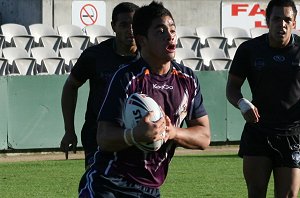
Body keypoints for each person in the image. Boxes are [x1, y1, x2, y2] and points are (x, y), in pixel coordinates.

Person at [78, 1, 211, 197]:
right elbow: (103, 137)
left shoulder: (188, 80)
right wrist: (135, 135)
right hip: (108, 183)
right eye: (160, 30)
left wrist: (172, 132)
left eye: (172, 29)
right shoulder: (125, 78)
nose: (170, 35)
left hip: (150, 189)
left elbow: (204, 137)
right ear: (143, 40)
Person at [226, 0, 300, 197]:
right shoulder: (249, 49)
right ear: (267, 20)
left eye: (287, 19)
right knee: (256, 192)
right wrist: (242, 103)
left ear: (294, 22)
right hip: (258, 131)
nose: (282, 24)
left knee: (288, 195)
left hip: (292, 134)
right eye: (276, 19)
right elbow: (232, 88)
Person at [60, 2, 140, 167]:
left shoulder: (149, 58)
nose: (130, 30)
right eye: (124, 24)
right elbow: (71, 86)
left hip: (136, 136)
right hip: (98, 136)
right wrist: (69, 130)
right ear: (113, 26)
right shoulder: (95, 56)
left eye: (134, 25)